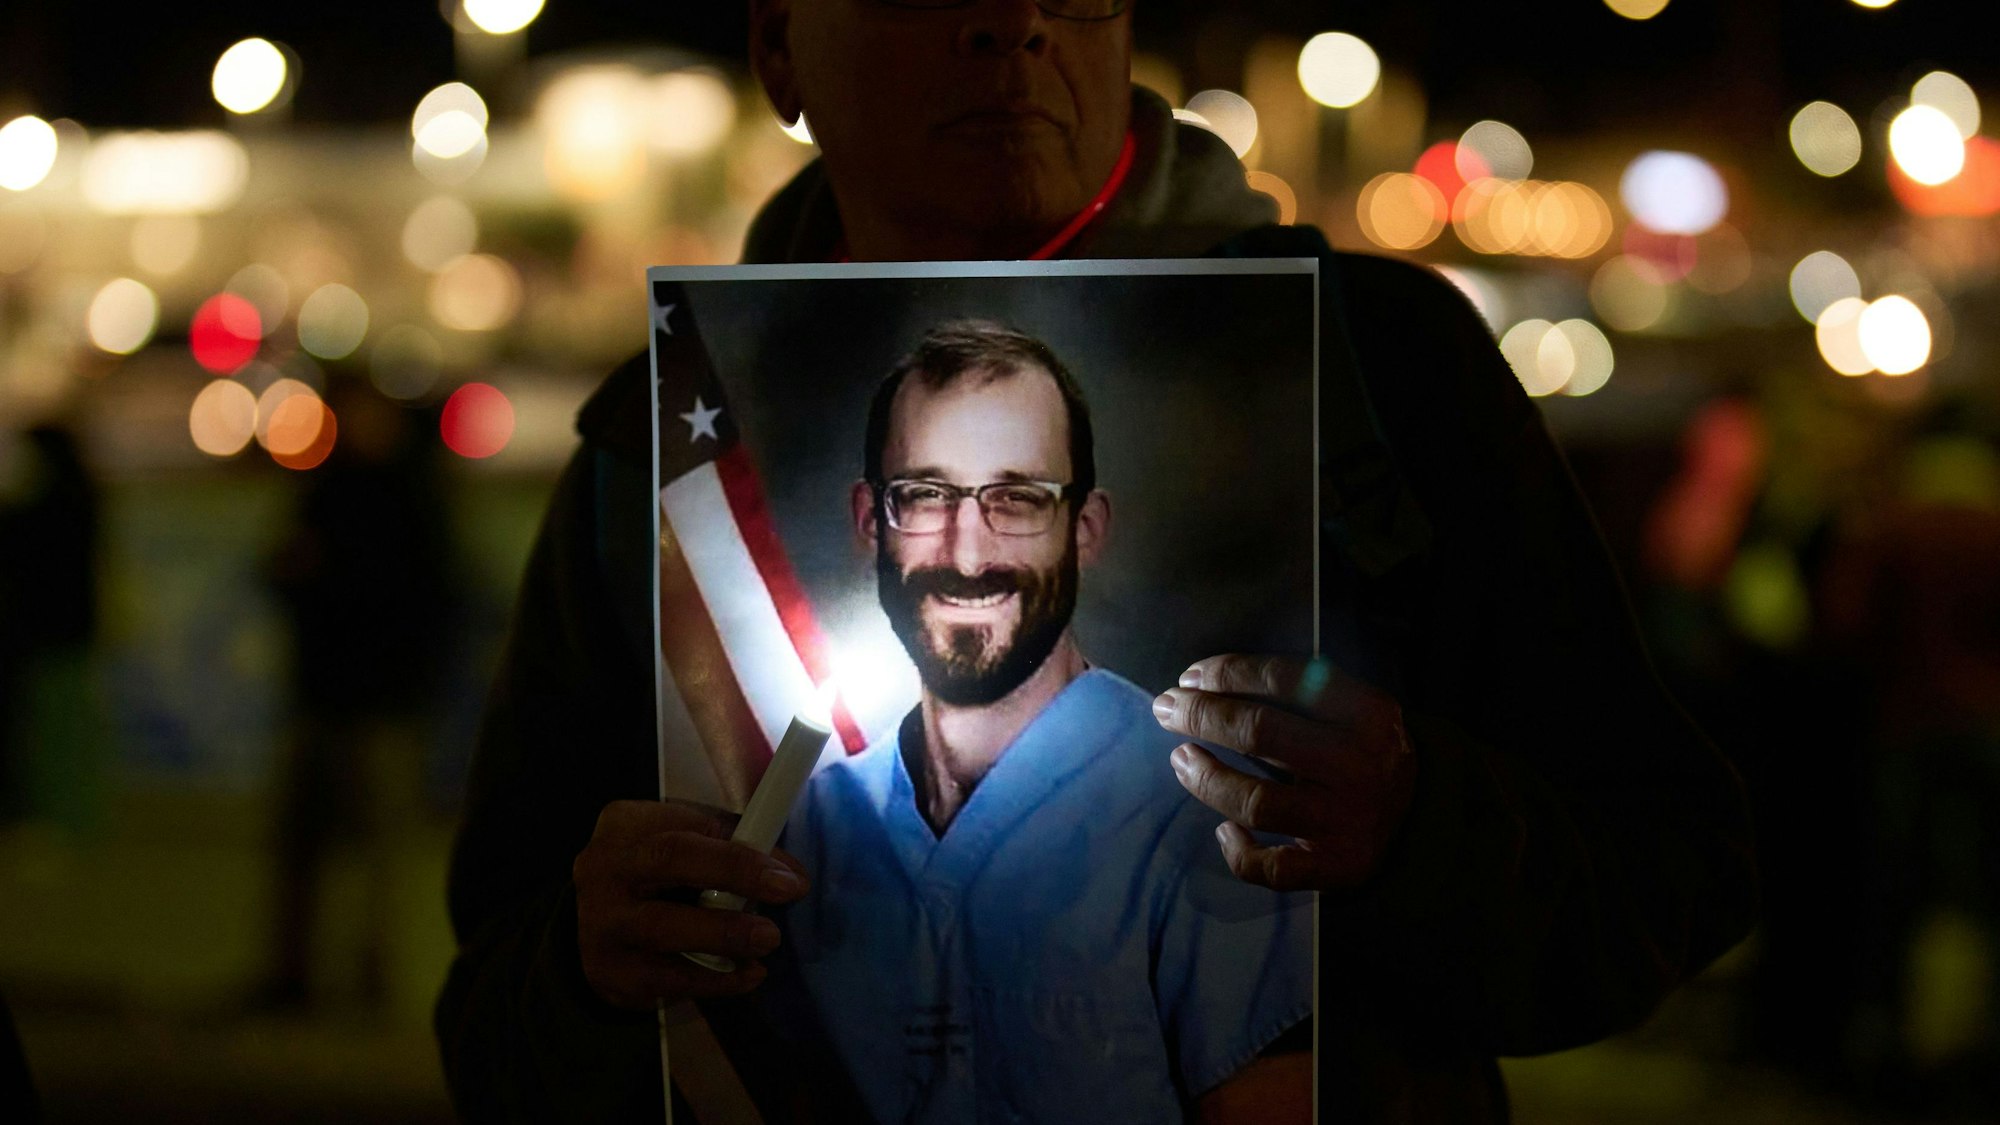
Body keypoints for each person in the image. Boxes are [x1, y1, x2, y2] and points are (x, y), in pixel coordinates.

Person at [437, 1, 1759, 1121]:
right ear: (779, 49)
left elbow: (1670, 878)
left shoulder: (1386, 372)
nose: (1012, 23)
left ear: (1091, 521)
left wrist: (1419, 828)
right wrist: (586, 969)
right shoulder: (657, 457)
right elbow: (487, 1025)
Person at [755, 320, 1310, 1122]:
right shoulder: (805, 827)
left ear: (1084, 530)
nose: (967, 555)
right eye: (926, 495)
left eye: (1016, 499)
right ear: (871, 519)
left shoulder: (1210, 813)